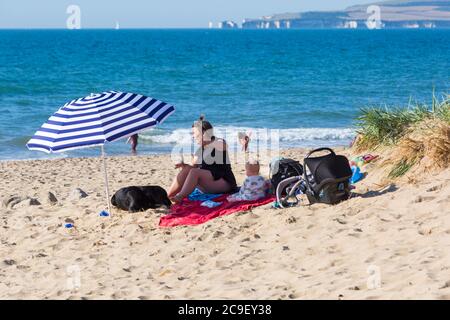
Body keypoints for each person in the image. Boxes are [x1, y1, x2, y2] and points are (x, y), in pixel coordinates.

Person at [168, 116, 237, 203]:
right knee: (188, 169)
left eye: (195, 133)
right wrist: (183, 165)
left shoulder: (219, 142)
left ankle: (180, 196)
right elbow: (192, 166)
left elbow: (223, 146)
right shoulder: (200, 149)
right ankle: (168, 195)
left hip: (224, 182)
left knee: (194, 172)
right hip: (209, 183)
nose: (193, 136)